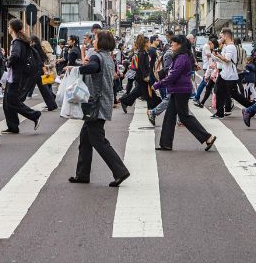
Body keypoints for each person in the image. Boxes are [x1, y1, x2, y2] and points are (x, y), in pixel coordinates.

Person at [68, 30, 131, 187]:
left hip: (95, 104)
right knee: (85, 139)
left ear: (100, 42)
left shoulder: (97, 57)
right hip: (103, 101)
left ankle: (120, 171)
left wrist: (75, 69)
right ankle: (82, 174)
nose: (93, 41)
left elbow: (93, 68)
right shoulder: (108, 58)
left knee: (98, 140)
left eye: (95, 39)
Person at [154, 35, 217, 151]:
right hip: (177, 89)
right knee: (169, 116)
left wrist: (159, 84)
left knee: (184, 116)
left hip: (181, 90)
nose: (171, 44)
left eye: (173, 43)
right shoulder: (180, 56)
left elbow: (173, 75)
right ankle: (166, 144)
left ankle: (208, 137)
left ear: (179, 45)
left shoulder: (182, 57)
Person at [2, 19, 42, 134]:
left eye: (9, 27)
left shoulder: (17, 42)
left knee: (12, 100)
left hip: (16, 77)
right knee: (7, 102)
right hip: (13, 76)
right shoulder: (19, 41)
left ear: (12, 28)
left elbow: (15, 56)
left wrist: (7, 61)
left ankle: (34, 115)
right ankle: (13, 126)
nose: (8, 29)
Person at [212, 29, 250, 119]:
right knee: (218, 91)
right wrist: (215, 56)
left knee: (234, 94)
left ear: (226, 36)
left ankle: (252, 106)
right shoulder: (226, 46)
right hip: (224, 74)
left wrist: (218, 55)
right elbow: (224, 60)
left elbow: (227, 59)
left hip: (230, 75)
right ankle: (219, 113)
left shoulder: (230, 47)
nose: (220, 38)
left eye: (221, 36)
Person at [119, 34, 159, 111]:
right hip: (142, 77)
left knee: (139, 91)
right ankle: (152, 107)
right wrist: (145, 76)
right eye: (148, 42)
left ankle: (125, 101)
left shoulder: (144, 52)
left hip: (143, 76)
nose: (149, 44)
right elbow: (141, 66)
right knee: (146, 92)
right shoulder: (142, 53)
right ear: (145, 44)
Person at [29, 36, 58, 111]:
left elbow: (39, 62)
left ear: (33, 41)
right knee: (44, 89)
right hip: (40, 71)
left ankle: (52, 104)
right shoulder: (39, 49)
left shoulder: (34, 49)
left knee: (43, 89)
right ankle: (52, 104)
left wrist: (45, 71)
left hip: (37, 71)